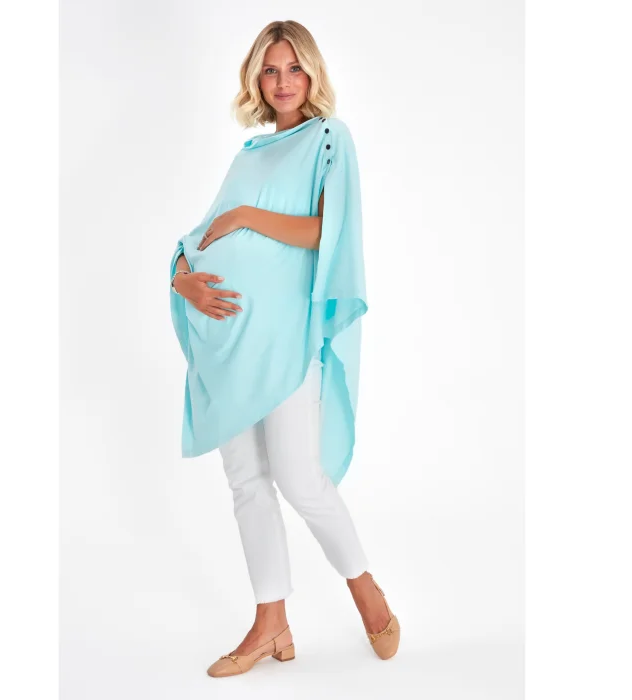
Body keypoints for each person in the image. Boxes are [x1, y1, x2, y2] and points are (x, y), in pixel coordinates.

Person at [169, 20, 400, 677]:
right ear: (256, 79)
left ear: (313, 72)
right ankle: (271, 624)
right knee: (246, 481)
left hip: (285, 341)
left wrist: (246, 218)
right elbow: (199, 237)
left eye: (293, 67)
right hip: (228, 343)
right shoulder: (248, 154)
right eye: (270, 70)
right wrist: (183, 279)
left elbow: (328, 230)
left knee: (301, 478)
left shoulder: (329, 138)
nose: (282, 81)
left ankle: (365, 589)